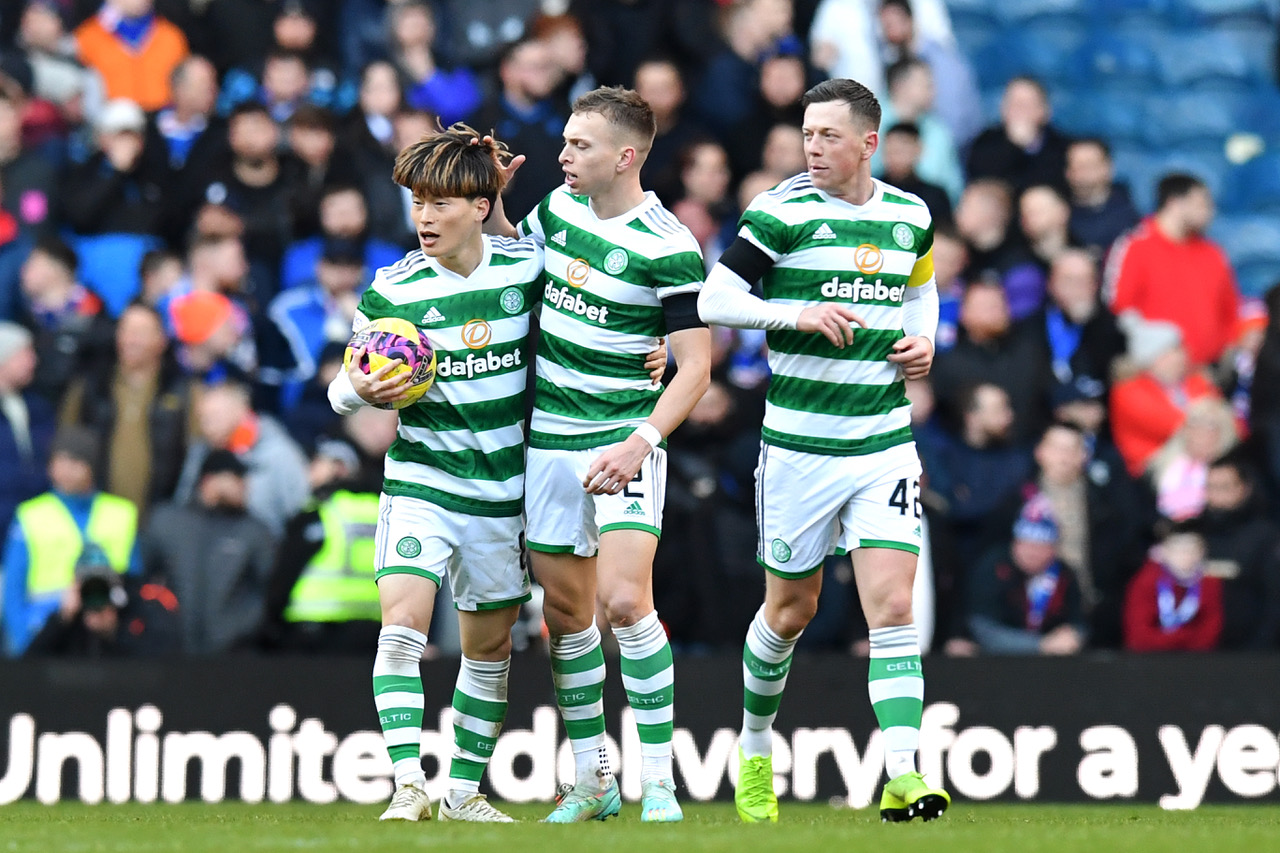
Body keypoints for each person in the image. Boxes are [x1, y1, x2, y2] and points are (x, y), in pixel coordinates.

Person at [696, 79, 948, 823]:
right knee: (789, 611)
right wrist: (795, 313)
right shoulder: (781, 211)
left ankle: (902, 772)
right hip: (799, 448)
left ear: (869, 143)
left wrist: (925, 338)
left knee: (892, 604)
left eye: (828, 135)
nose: (812, 146)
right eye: (807, 133)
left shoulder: (909, 215)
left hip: (883, 441)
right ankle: (754, 748)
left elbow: (921, 291)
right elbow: (715, 299)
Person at [490, 86, 711, 824]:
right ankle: (593, 779)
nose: (562, 155)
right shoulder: (557, 208)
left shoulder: (669, 244)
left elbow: (696, 368)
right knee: (565, 614)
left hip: (624, 437)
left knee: (624, 600)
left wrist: (640, 441)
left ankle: (661, 782)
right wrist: (494, 201)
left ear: (625, 156)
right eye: (564, 141)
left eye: (579, 145)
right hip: (550, 438)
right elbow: (511, 257)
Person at [326, 124, 544, 824]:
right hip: (422, 481)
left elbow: (587, 326)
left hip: (502, 492)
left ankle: (462, 793)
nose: (424, 216)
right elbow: (339, 387)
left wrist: (655, 348)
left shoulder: (526, 269)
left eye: (440, 202)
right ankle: (406, 784)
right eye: (418, 202)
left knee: (489, 649)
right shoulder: (394, 286)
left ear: (480, 207)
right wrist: (363, 389)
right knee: (401, 627)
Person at [2, 426, 140, 657]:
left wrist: (121, 627)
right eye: (58, 461)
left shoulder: (121, 513)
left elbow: (136, 582)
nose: (65, 470)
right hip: (45, 633)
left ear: (92, 466)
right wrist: (23, 643)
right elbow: (12, 591)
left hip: (105, 636)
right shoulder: (31, 515)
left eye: (74, 461)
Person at [143, 449, 276, 654]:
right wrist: (161, 621)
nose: (245, 486)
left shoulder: (254, 531)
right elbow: (143, 579)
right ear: (209, 481)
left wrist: (242, 628)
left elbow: (270, 589)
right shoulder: (168, 523)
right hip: (172, 650)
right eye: (237, 478)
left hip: (233, 654)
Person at [1105, 173, 1239, 368]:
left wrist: (1227, 354)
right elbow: (1119, 308)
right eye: (1202, 204)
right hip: (1153, 372)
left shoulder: (1213, 253)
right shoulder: (1135, 246)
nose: (1210, 211)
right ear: (1174, 203)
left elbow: (1230, 310)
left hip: (1208, 372)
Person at [967, 494, 1086, 655]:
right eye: (1027, 544)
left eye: (1040, 546)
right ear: (1015, 543)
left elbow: (1080, 624)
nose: (1032, 553)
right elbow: (983, 629)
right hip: (997, 662)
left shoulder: (1065, 574)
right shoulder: (994, 568)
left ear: (1054, 549)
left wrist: (1074, 635)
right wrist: (1041, 645)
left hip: (1052, 664)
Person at [25, 542, 180, 657]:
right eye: (87, 585)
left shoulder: (135, 606)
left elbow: (160, 663)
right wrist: (62, 618)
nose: (94, 593)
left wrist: (112, 632)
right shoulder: (70, 620)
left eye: (101, 584)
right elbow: (30, 667)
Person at [1201, 452, 1280, 650]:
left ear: (1244, 489)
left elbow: (1274, 598)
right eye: (1210, 487)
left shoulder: (1265, 536)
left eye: (1224, 487)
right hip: (1195, 651)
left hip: (1250, 649)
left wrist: (1259, 649)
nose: (1216, 494)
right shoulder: (1193, 532)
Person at [1123, 518, 1223, 653]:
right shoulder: (1146, 581)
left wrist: (1177, 641)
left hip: (1195, 659)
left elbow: (1210, 633)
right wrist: (1183, 638)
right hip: (1150, 658)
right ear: (1164, 551)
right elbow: (1139, 636)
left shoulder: (1209, 584)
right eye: (1178, 550)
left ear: (1202, 552)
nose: (1186, 556)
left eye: (1192, 550)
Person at [1064, 138, 1140, 259]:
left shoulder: (1132, 206)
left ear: (1108, 167)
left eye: (1089, 165)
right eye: (1076, 165)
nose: (1082, 172)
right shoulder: (1061, 215)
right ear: (1067, 172)